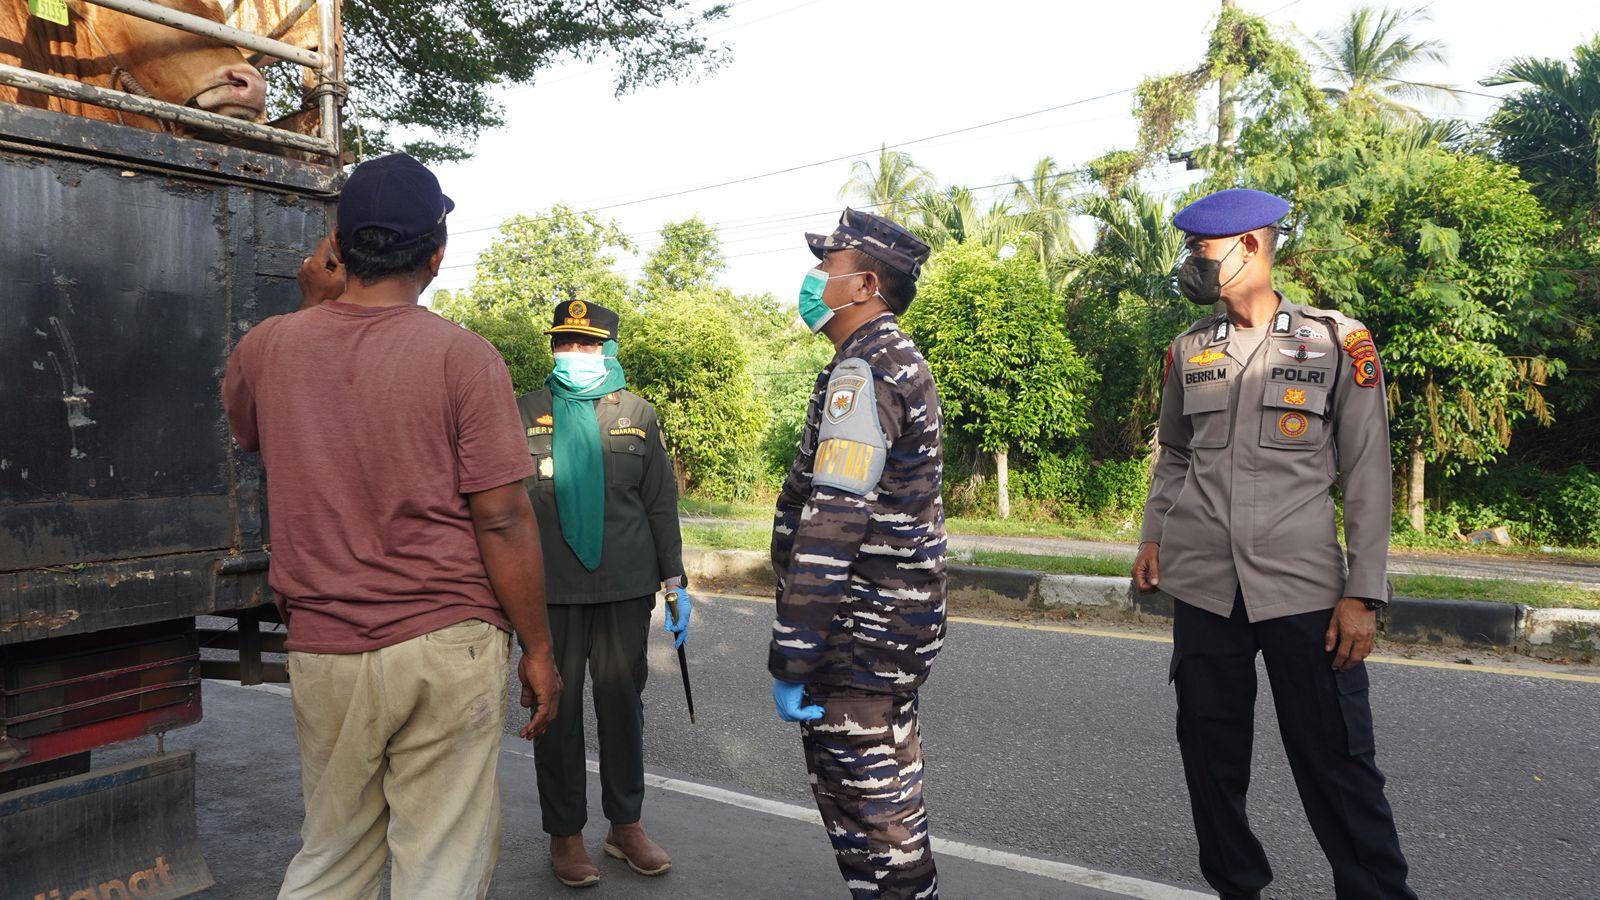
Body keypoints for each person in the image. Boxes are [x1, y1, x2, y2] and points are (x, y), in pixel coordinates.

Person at [221, 153, 564, 900]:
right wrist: (538, 648)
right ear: (436, 255)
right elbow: (503, 518)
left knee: (332, 854)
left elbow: (249, 430)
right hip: (448, 640)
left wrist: (311, 308)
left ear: (336, 248)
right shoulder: (464, 358)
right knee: (440, 864)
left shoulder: (266, 348)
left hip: (325, 645)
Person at [1132, 188, 1415, 900]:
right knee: (1210, 757)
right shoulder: (1189, 349)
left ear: (1250, 247)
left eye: (1200, 252)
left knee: (1337, 763)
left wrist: (1363, 591)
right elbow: (1173, 452)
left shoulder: (1335, 341)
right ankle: (1237, 888)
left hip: (1304, 588)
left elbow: (1368, 473)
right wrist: (1153, 535)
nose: (1190, 266)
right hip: (1202, 585)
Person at [768, 208, 946, 900]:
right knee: (889, 815)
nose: (813, 279)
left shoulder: (866, 371)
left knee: (874, 833)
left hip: (858, 641)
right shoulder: (881, 359)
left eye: (827, 267)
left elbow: (835, 519)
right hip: (885, 633)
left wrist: (793, 651)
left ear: (865, 284)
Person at [515, 300, 689, 889]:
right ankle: (564, 835)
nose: (576, 354)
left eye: (588, 345)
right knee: (553, 711)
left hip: (624, 586)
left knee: (622, 707)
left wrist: (675, 581)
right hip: (550, 591)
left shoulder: (639, 414)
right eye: (566, 343)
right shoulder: (523, 413)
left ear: (608, 350)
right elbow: (504, 511)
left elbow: (659, 503)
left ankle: (625, 825)